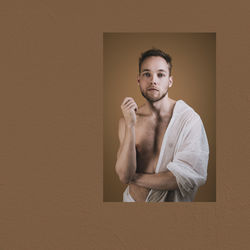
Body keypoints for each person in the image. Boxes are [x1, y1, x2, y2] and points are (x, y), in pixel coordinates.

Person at [115, 48, 209, 202]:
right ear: (139, 80)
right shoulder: (126, 121)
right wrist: (130, 125)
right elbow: (124, 174)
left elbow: (182, 178)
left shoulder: (189, 120)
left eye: (160, 74)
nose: (153, 80)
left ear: (170, 81)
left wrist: (134, 178)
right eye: (147, 74)